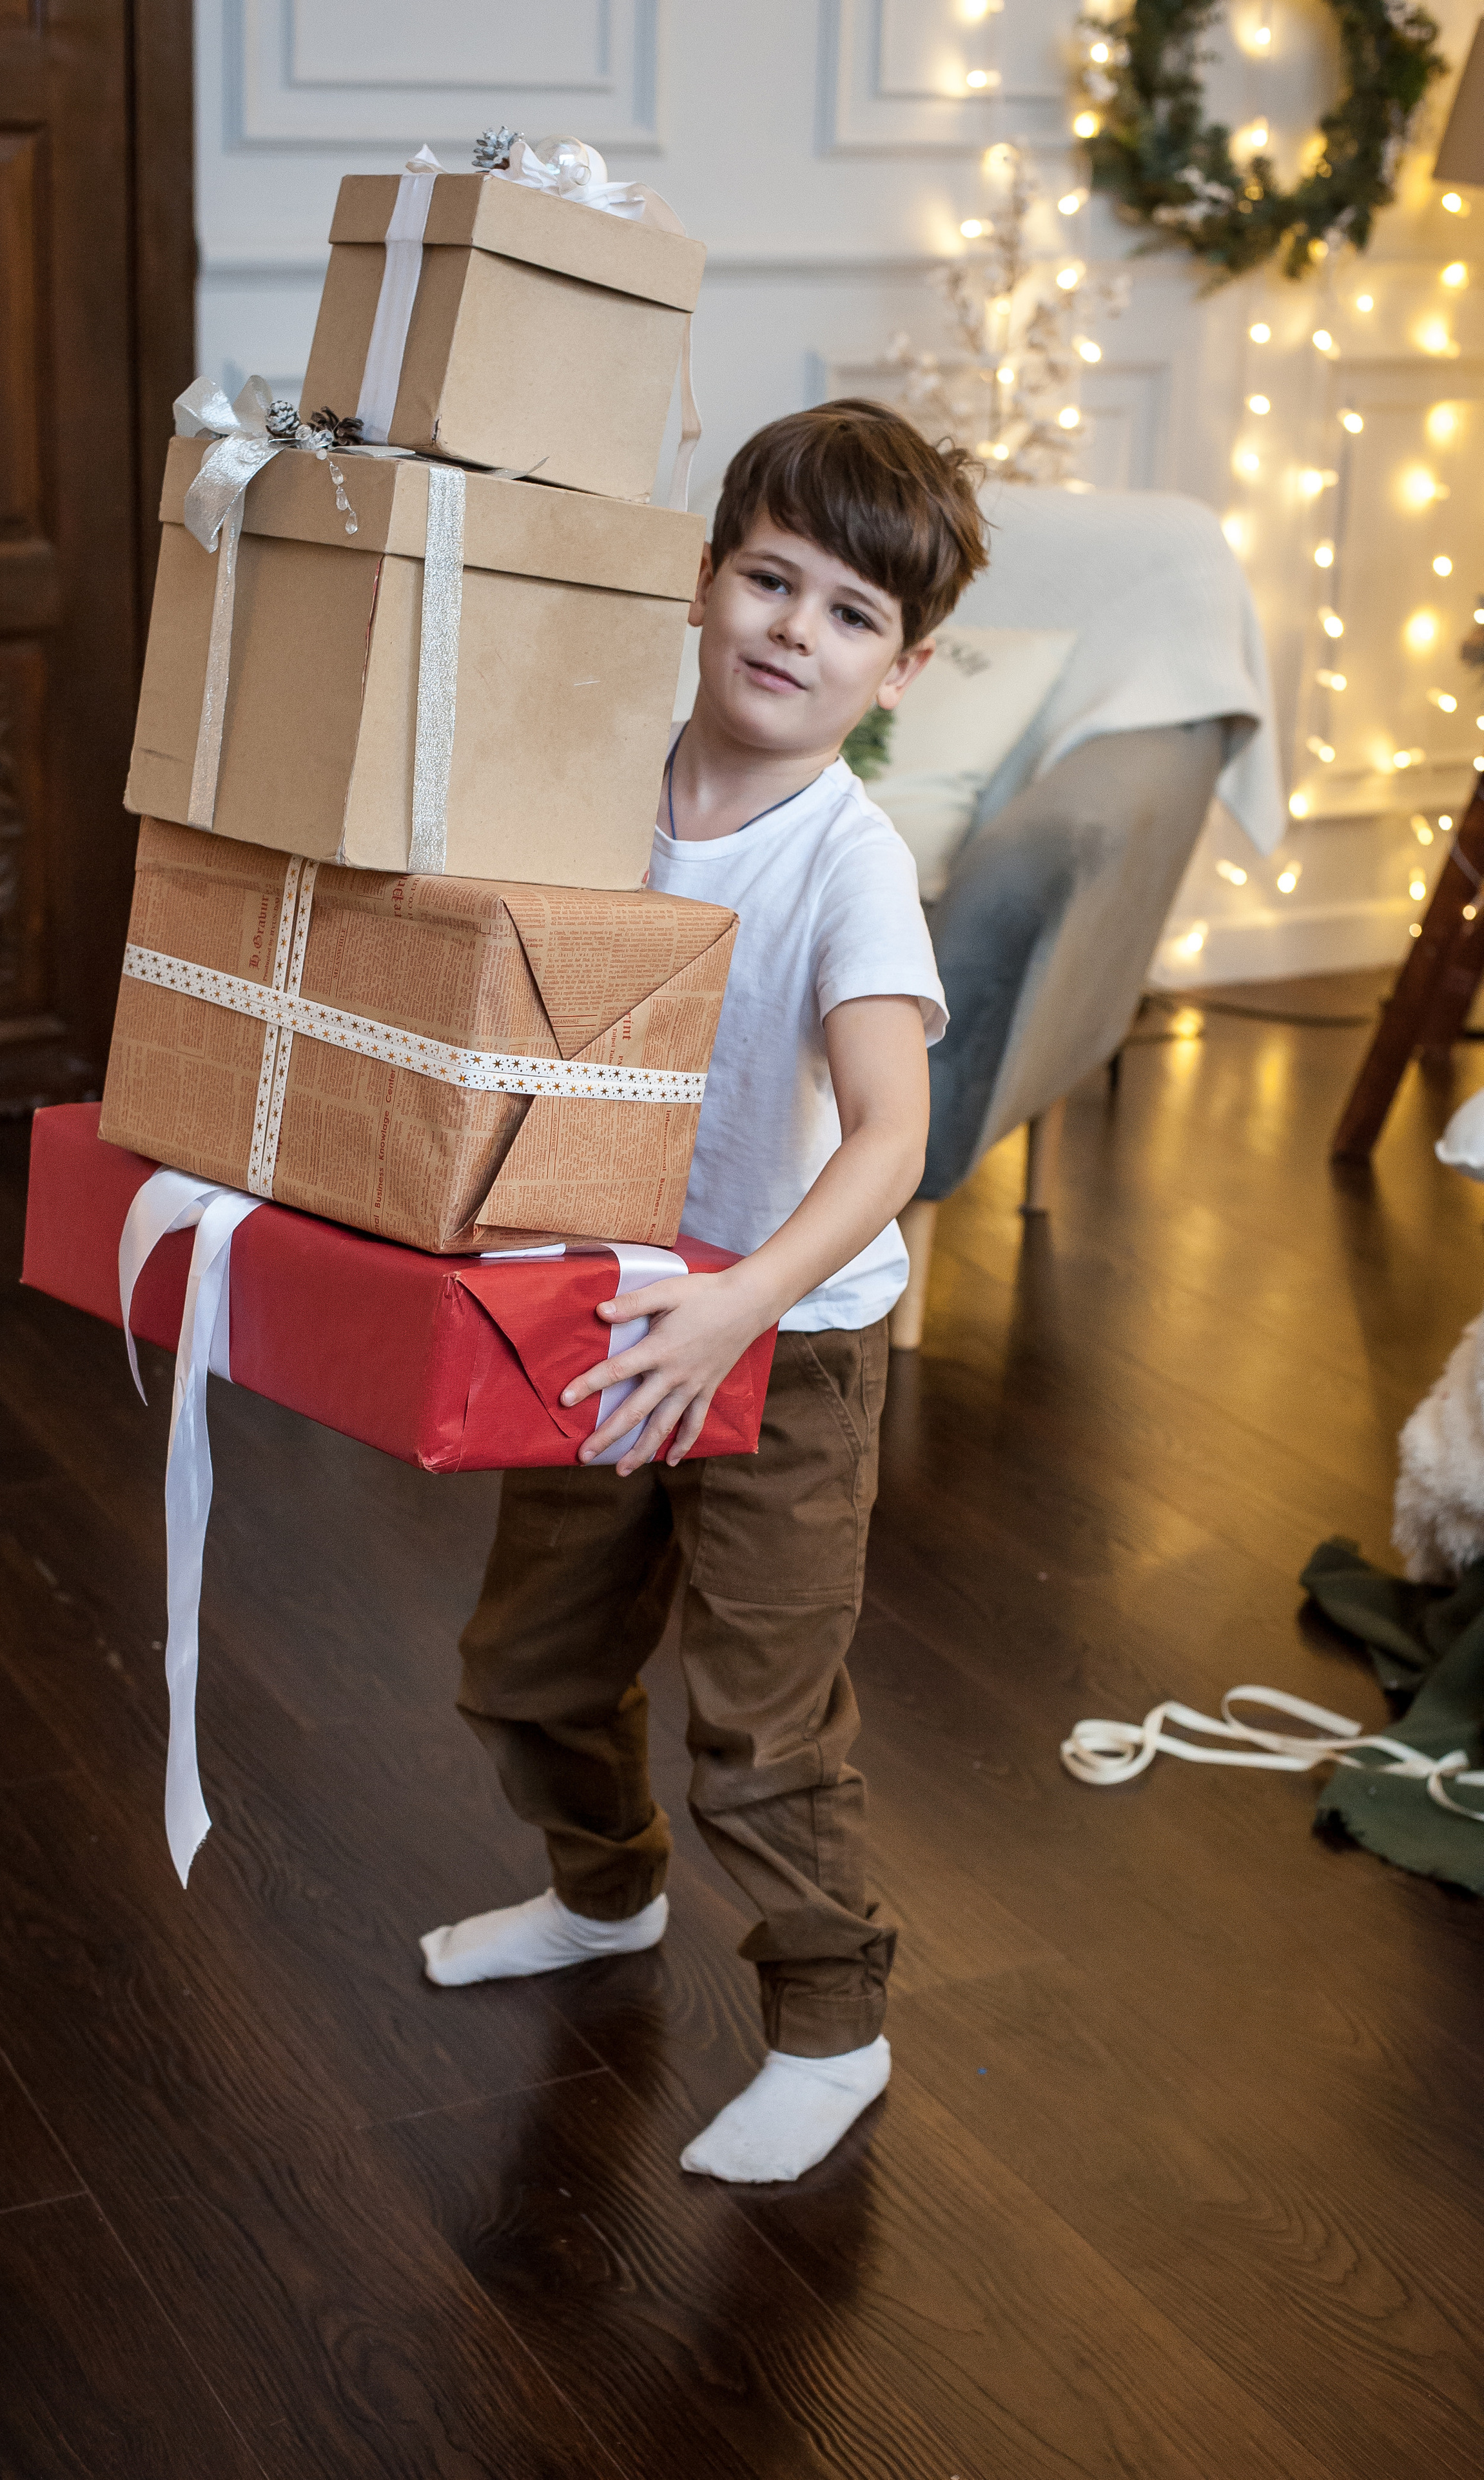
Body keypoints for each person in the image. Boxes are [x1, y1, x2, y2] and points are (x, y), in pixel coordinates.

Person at [420, 399, 988, 2182]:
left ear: (899, 670)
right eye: (768, 579)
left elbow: (893, 1136)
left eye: (846, 616)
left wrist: (743, 1307)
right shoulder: (601, 779)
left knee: (758, 1725)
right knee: (527, 1667)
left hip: (791, 1343)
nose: (790, 633)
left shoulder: (847, 862)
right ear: (701, 577)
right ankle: (605, 1900)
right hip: (608, 1309)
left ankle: (836, 2028)